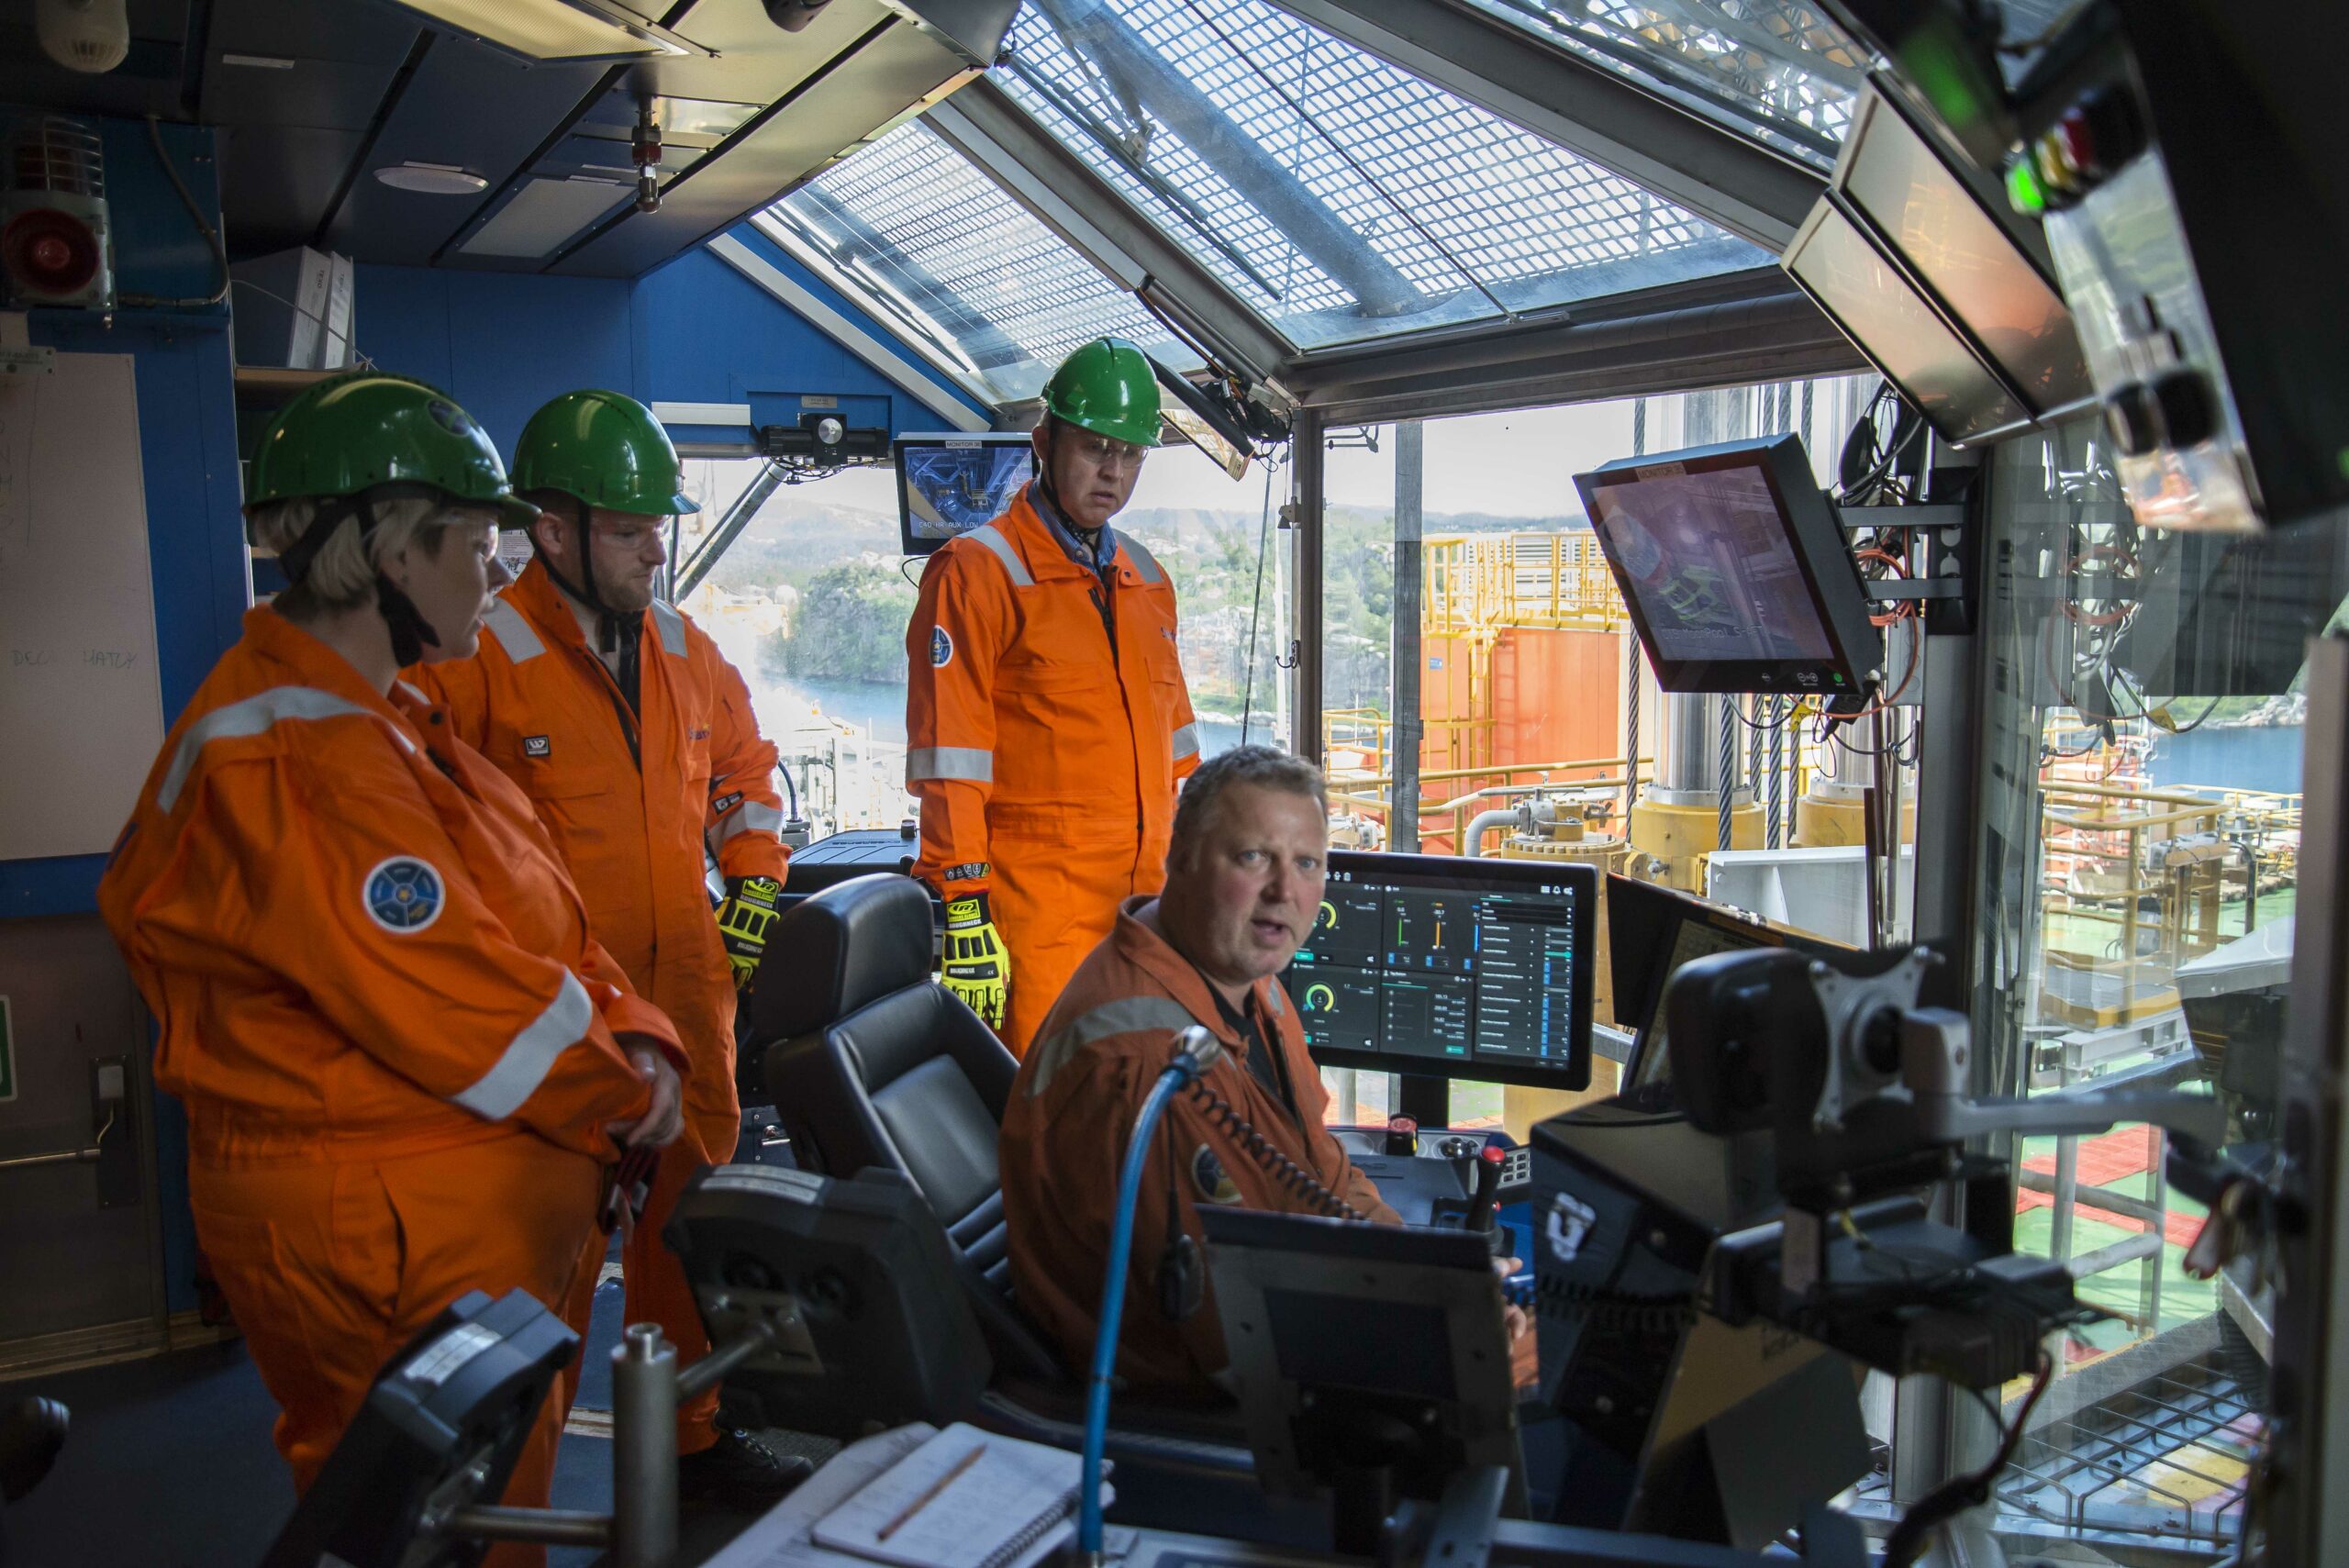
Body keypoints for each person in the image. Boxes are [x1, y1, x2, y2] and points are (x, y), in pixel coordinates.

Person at [97, 373, 687, 1565]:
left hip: (457, 1218)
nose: (499, 569)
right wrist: (629, 1087)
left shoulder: (385, 722)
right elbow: (468, 1000)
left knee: (484, 1522)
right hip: (379, 1232)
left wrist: (633, 1025)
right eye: (475, 542)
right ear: (388, 554)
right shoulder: (295, 759)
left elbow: (538, 917)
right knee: (430, 1535)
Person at [410, 388, 803, 1505]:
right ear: (554, 529)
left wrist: (758, 883)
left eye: (658, 526)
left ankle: (692, 1434)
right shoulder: (479, 654)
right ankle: (507, 1483)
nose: (655, 549)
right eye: (631, 531)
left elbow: (743, 775)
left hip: (685, 1001)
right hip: (558, 1017)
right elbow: (435, 833)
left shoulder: (685, 645)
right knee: (538, 1257)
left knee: (689, 1239)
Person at [997, 746, 1404, 1401]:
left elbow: (1322, 1172)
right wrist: (1428, 1338)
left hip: (1280, 1306)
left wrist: (1430, 1278)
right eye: (1252, 857)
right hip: (1186, 1404)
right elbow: (1234, 1336)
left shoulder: (1251, 985)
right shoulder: (1149, 1066)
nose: (1285, 891)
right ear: (1179, 857)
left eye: (1307, 863)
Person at [905, 337, 1203, 1057]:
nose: (1113, 471)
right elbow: (952, 755)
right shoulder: (977, 573)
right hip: (1038, 924)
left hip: (1149, 919)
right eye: (1096, 446)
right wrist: (964, 904)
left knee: (1138, 1122)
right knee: (1046, 1130)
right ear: (1044, 441)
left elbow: (1183, 757)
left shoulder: (1148, 579)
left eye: (1131, 454)